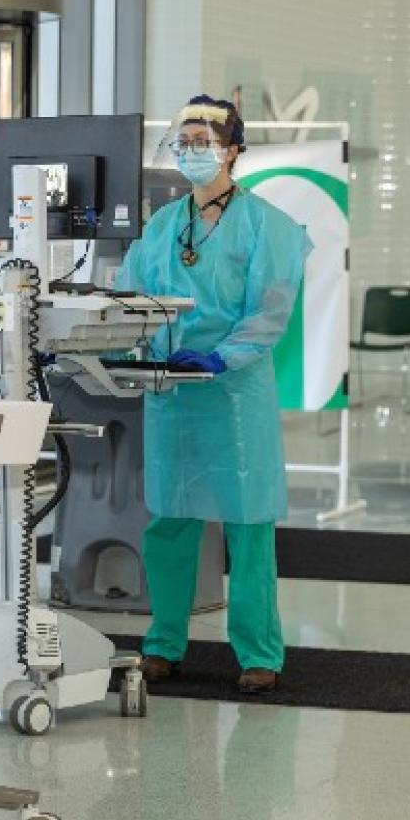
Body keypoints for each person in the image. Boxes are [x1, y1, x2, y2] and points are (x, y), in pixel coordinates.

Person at [114, 95, 311, 694]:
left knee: (248, 524)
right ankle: (164, 642)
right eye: (185, 141)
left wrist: (221, 356)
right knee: (169, 519)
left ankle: (258, 652)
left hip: (234, 392)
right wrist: (116, 342)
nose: (192, 151)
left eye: (205, 141)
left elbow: (269, 313)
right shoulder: (163, 223)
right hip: (172, 388)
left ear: (233, 151)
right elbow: (131, 293)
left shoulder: (267, 226)